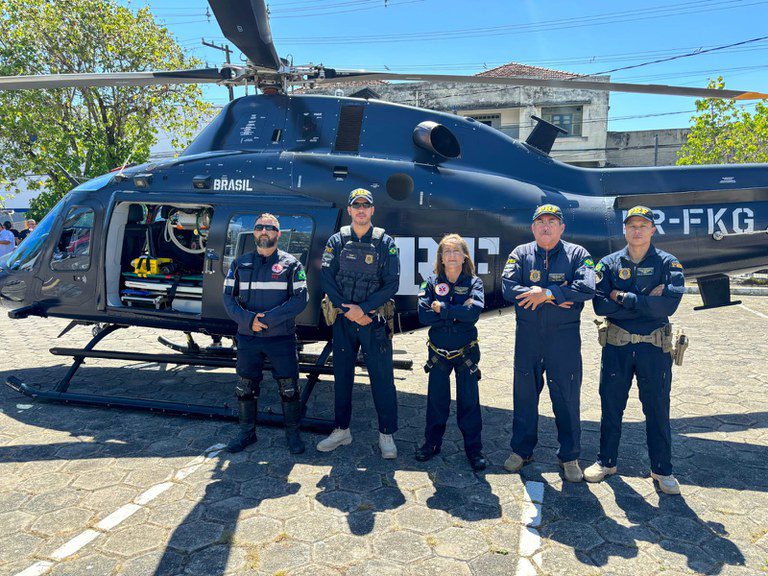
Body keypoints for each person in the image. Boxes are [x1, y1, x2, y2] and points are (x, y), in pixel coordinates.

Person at [584, 205, 685, 495]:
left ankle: (662, 470)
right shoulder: (608, 264)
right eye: (632, 225)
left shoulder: (669, 264)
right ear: (624, 230)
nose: (637, 230)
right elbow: (601, 305)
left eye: (643, 225)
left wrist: (623, 297)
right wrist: (645, 301)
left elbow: (668, 306)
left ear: (653, 230)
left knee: (657, 408)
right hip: (617, 346)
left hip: (655, 348)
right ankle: (606, 462)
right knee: (611, 406)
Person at [501, 204, 596, 482]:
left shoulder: (578, 254)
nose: (546, 226)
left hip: (563, 338)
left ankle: (569, 456)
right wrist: (558, 295)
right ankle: (522, 450)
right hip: (528, 336)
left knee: (566, 397)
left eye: (552, 222)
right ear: (533, 227)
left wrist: (548, 293)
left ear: (561, 227)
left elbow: (587, 287)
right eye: (540, 222)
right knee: (524, 395)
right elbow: (508, 287)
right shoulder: (521, 253)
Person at [317, 188, 401, 459]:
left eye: (366, 205)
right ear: (350, 210)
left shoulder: (385, 242)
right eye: (357, 206)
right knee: (342, 377)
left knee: (382, 379)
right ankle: (342, 430)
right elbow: (327, 278)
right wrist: (347, 309)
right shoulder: (336, 241)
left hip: (373, 320)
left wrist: (364, 309)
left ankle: (386, 434)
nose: (362, 210)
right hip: (344, 320)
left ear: (373, 210)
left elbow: (392, 283)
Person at [222, 213, 309, 454]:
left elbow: (301, 299)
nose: (264, 231)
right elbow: (228, 299)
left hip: (280, 337)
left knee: (289, 387)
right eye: (259, 227)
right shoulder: (239, 264)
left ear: (278, 234)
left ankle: (293, 436)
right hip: (248, 336)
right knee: (245, 386)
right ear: (254, 232)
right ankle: (246, 434)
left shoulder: (292, 265)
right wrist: (249, 321)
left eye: (269, 228)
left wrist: (268, 320)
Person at [417, 234, 486, 471]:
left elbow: (473, 313)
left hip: (465, 354)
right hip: (438, 354)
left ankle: (474, 450)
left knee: (469, 403)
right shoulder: (431, 281)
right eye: (447, 252)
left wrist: (443, 308)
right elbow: (424, 315)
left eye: (456, 251)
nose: (452, 256)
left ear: (465, 255)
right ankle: (431, 444)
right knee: (436, 402)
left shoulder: (474, 283)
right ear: (441, 258)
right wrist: (458, 311)